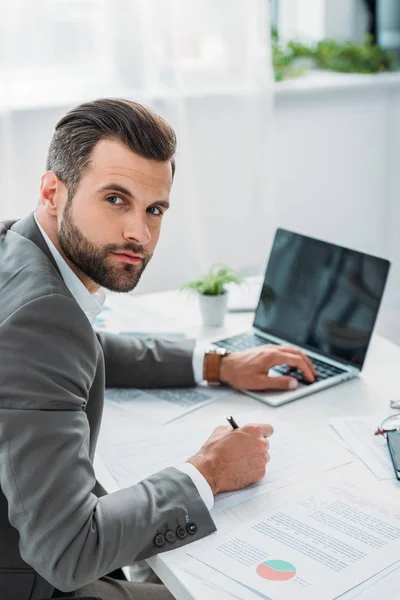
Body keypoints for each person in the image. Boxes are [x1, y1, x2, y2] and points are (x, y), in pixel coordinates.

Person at [0, 98, 316, 600]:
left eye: (154, 209)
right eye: (115, 200)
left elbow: (79, 350)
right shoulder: (41, 317)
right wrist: (210, 470)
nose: (139, 233)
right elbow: (68, 551)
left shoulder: (15, 248)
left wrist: (218, 364)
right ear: (53, 192)